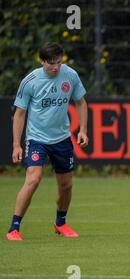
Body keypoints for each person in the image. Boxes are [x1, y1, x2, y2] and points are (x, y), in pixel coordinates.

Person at [6, 42, 88, 241]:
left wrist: (83, 130)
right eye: (51, 63)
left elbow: (80, 102)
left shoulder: (70, 75)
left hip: (61, 138)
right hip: (37, 139)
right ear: (42, 61)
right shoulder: (30, 81)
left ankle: (60, 224)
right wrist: (17, 144)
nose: (56, 67)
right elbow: (19, 114)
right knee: (33, 179)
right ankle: (13, 228)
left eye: (59, 62)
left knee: (66, 184)